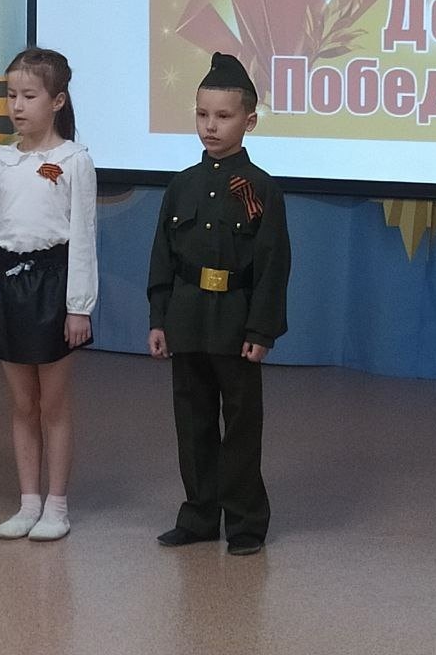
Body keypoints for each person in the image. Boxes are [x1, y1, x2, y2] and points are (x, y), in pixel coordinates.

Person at [147, 51, 290, 557]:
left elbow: (273, 265)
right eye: (203, 114)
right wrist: (159, 318)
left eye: (224, 116)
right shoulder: (182, 185)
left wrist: (261, 330)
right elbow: (162, 256)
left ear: (249, 121)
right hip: (187, 317)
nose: (211, 126)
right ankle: (199, 515)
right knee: (193, 422)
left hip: (234, 320)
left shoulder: (261, 189)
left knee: (242, 425)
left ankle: (246, 522)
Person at [0, 48, 97, 542]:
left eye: (29, 96)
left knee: (53, 405)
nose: (17, 106)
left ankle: (57, 505)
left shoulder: (74, 161)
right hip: (9, 284)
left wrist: (78, 307)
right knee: (22, 403)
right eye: (11, 96)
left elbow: (83, 236)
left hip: (53, 285)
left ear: (57, 101)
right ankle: (28, 502)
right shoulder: (1, 161)